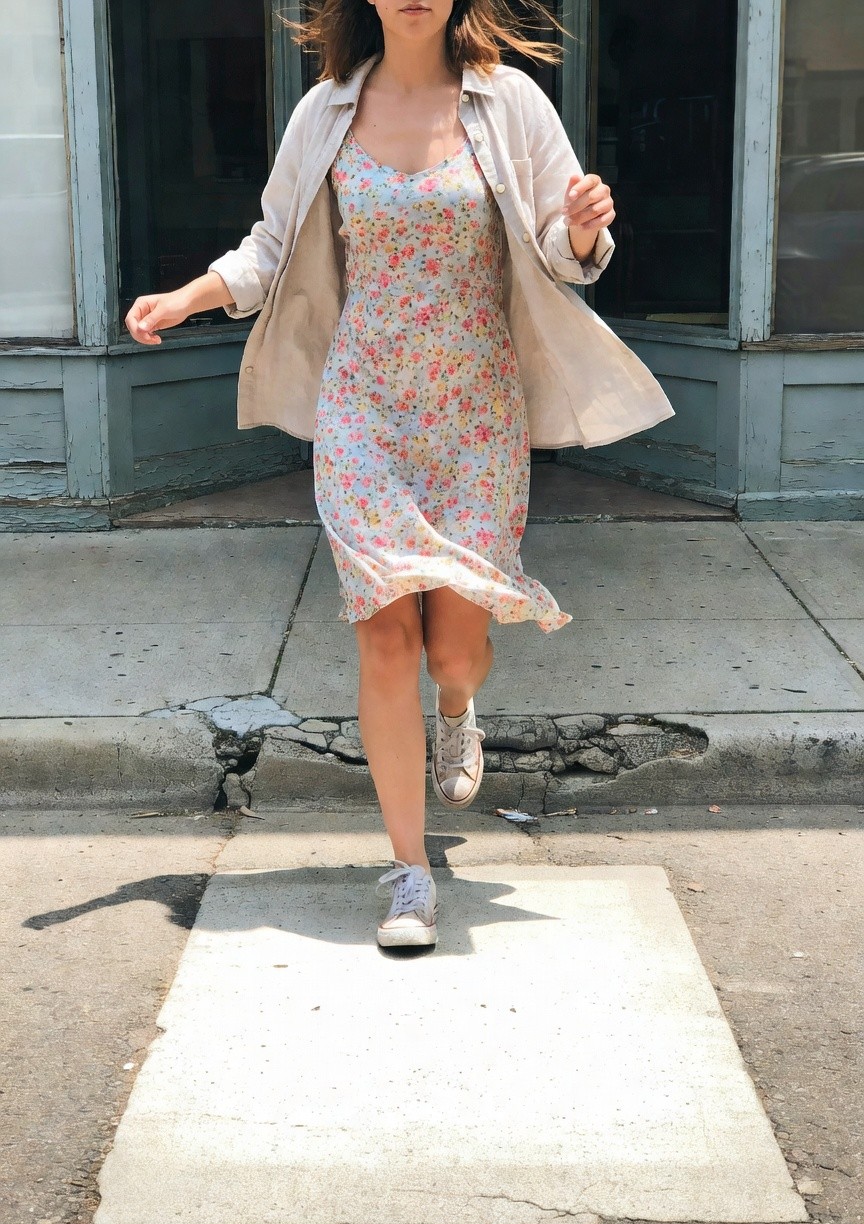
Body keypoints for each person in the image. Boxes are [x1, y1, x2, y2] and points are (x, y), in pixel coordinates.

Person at [125, 0, 673, 951]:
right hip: (363, 407)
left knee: (452, 651)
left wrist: (586, 231)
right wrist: (190, 296)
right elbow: (270, 245)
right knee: (385, 637)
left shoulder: (509, 104)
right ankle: (410, 874)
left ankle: (457, 710)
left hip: (476, 411)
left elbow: (561, 250)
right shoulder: (327, 110)